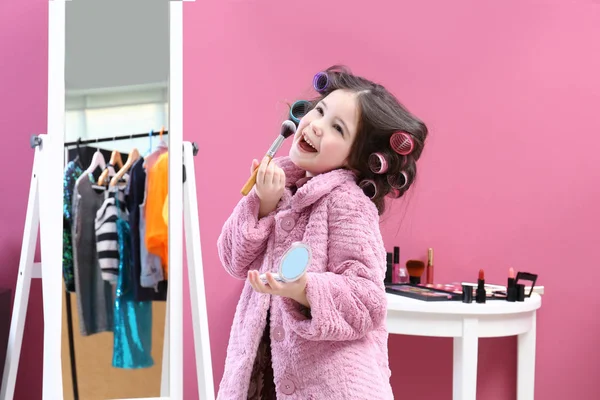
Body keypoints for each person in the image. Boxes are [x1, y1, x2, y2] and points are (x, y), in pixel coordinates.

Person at [217, 65, 428, 399]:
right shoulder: (278, 188)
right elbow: (232, 260)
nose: (316, 126)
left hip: (330, 386)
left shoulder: (349, 205)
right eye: (319, 110)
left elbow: (367, 301)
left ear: (355, 160)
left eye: (337, 128)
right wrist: (263, 204)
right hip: (262, 378)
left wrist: (304, 289)